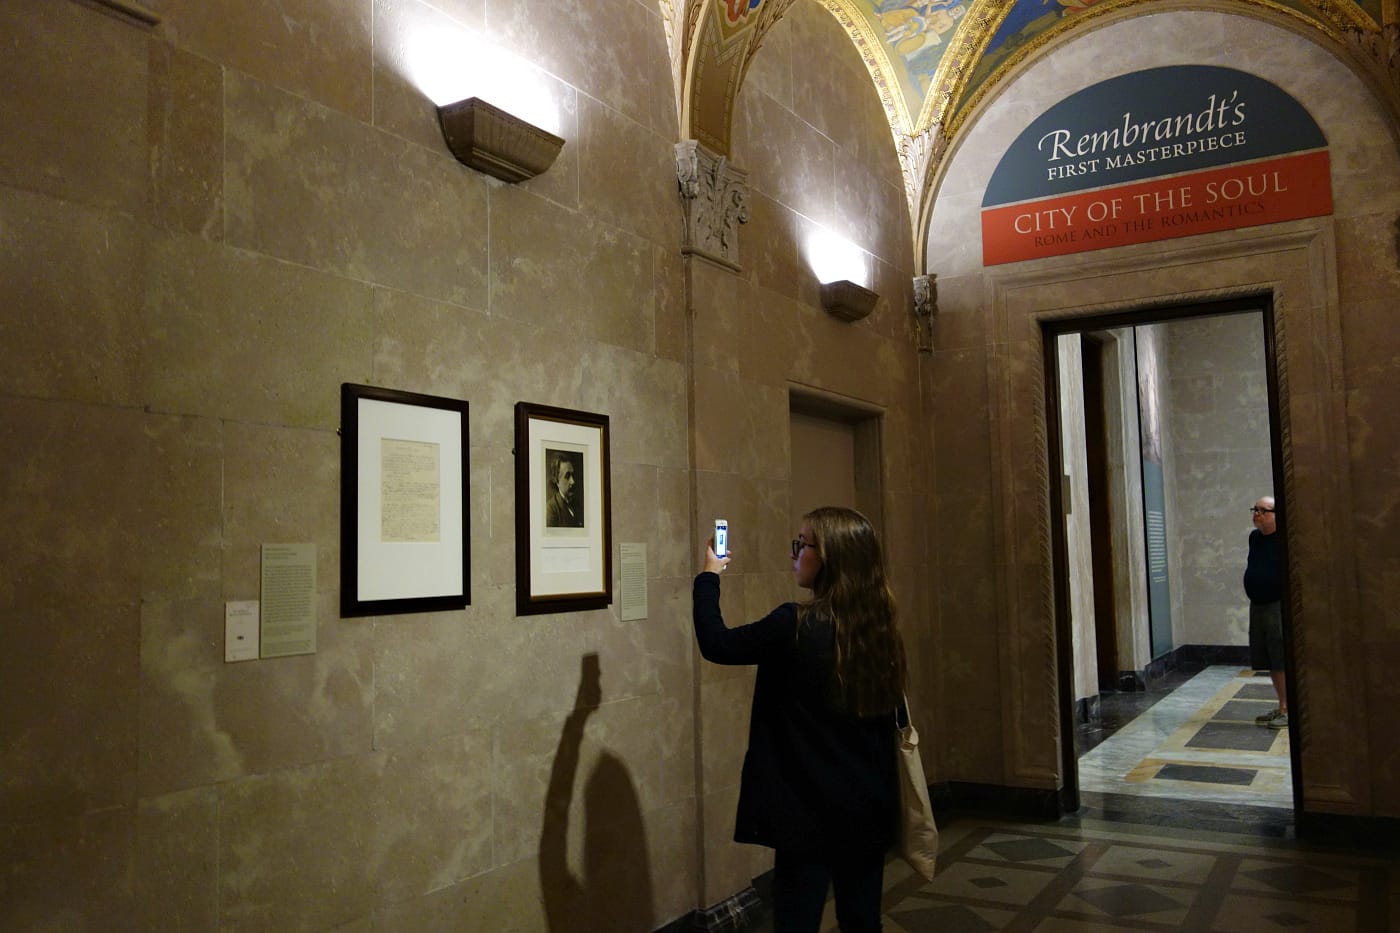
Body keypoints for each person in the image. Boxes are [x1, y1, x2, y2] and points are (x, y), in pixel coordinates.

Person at [692, 507, 907, 933]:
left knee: (796, 921)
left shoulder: (794, 623)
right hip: (867, 804)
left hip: (806, 811)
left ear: (828, 557)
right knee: (862, 920)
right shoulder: (880, 629)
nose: (795, 555)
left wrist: (709, 576)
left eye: (802, 544)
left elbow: (718, 643)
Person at [1243, 495, 1287, 728]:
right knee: (1269, 658)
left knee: (1281, 657)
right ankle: (1282, 704)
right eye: (1255, 509)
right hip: (1258, 605)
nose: (1257, 514)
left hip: (1277, 605)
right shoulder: (1255, 538)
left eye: (1263, 510)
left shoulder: (1285, 539)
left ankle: (1287, 709)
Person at [545, 451, 582, 527]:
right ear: (556, 480)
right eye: (567, 476)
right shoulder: (551, 509)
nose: (573, 481)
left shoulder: (578, 505)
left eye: (573, 475)